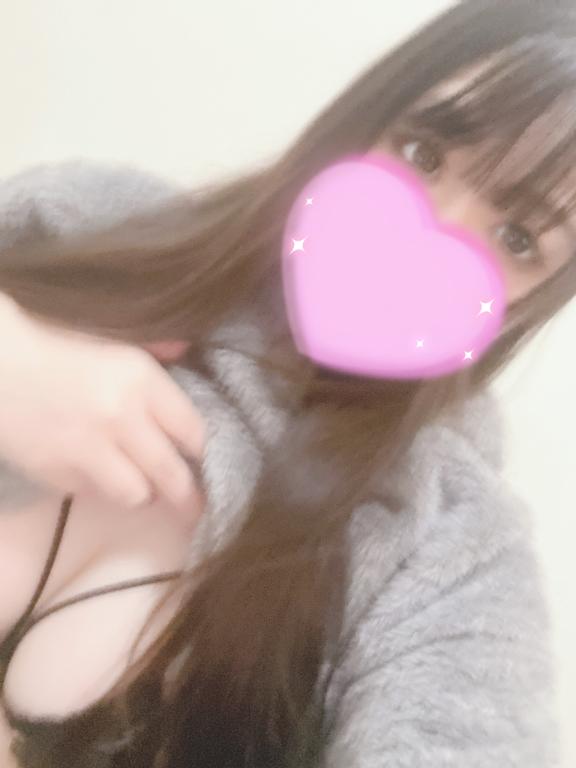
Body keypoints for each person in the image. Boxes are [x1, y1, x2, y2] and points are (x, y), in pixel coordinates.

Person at [0, 0, 573, 765]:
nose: (427, 235)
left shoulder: (450, 553)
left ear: (537, 299)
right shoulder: (80, 222)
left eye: (518, 237)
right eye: (423, 151)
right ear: (367, 112)